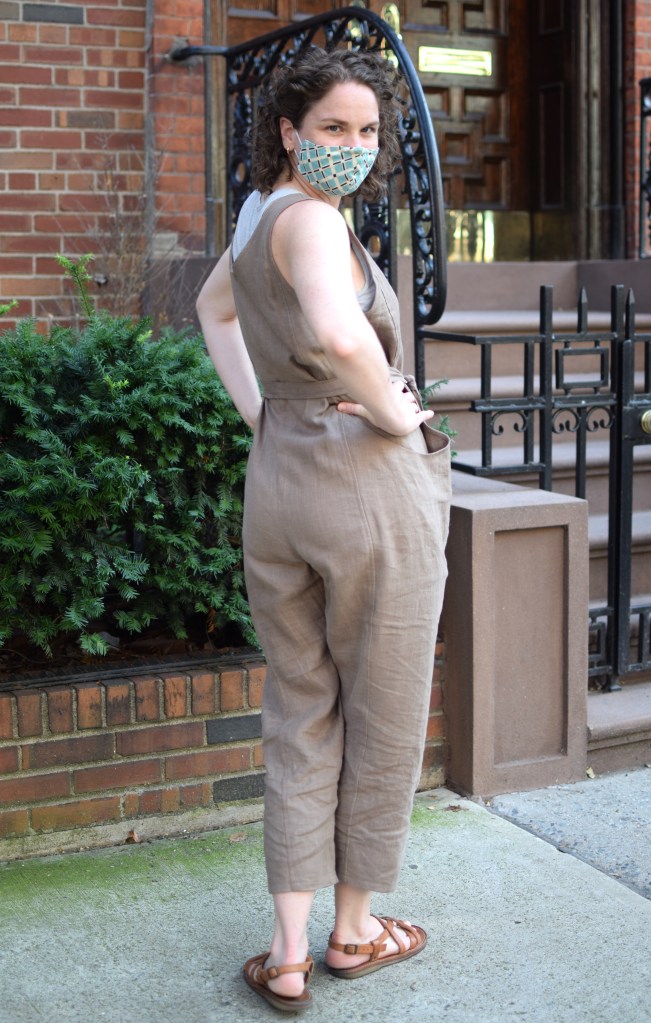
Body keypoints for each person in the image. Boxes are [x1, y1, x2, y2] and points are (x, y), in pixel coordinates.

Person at [196, 46, 451, 1014]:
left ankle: (287, 951)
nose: (353, 146)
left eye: (369, 132)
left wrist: (263, 413)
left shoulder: (260, 218)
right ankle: (353, 931)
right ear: (290, 130)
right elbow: (345, 337)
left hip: (283, 485)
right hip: (363, 492)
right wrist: (392, 410)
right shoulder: (312, 223)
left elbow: (214, 311)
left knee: (299, 712)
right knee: (381, 710)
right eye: (334, 128)